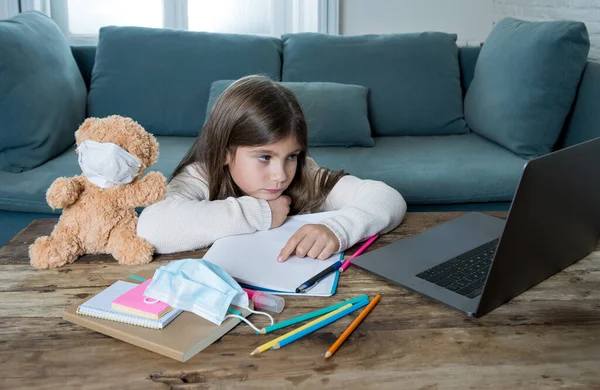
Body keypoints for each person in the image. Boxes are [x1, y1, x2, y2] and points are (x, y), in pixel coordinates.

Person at [137, 75, 406, 262]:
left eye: (291, 156)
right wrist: (261, 212)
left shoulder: (305, 174)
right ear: (224, 153)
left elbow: (387, 198)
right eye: (264, 157)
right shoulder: (202, 175)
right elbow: (152, 228)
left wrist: (338, 229)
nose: (281, 175)